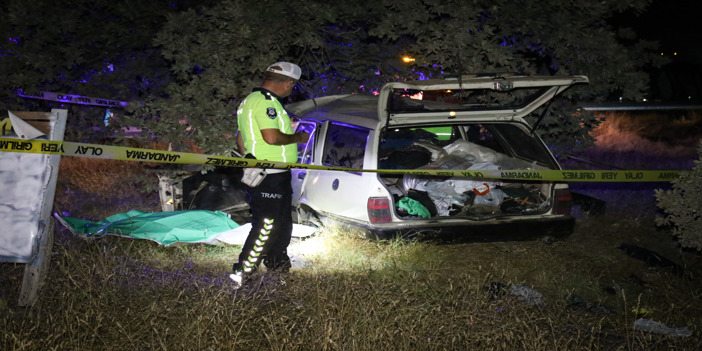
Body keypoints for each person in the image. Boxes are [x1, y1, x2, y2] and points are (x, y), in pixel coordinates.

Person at [230, 62, 309, 288]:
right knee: (267, 225)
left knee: (282, 225)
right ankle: (243, 273)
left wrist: (251, 162)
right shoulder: (267, 104)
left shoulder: (249, 101)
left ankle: (278, 269)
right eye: (292, 86)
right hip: (270, 174)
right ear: (288, 83)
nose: (291, 90)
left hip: (269, 172)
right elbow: (272, 138)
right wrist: (297, 137)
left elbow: (241, 140)